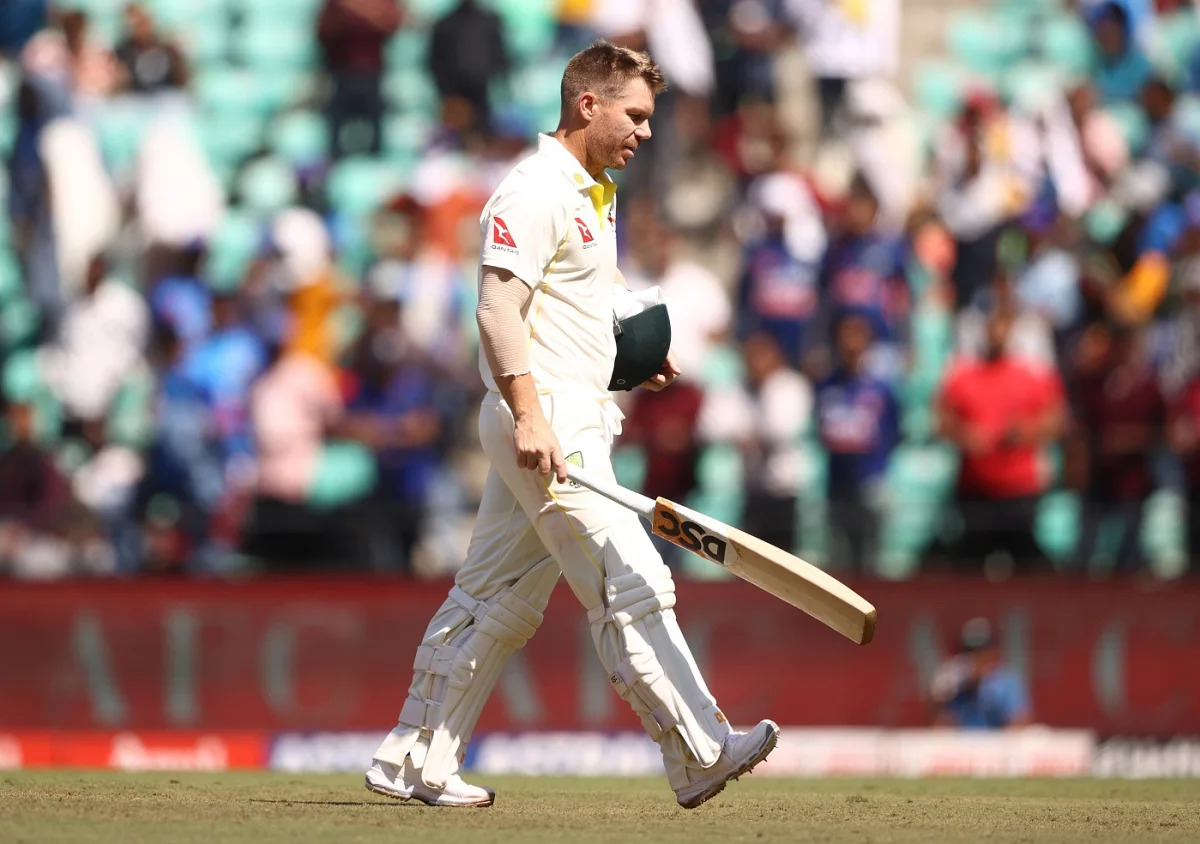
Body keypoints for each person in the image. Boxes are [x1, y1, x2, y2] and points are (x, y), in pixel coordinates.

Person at [366, 41, 778, 809]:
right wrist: (530, 414)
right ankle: (698, 750)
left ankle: (414, 758)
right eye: (636, 115)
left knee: (495, 599)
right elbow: (496, 308)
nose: (647, 132)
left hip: (569, 411)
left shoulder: (594, 189)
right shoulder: (534, 189)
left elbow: (581, 296)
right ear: (588, 105)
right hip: (549, 421)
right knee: (633, 581)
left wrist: (633, 356)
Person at [936, 307, 1065, 574]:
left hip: (1019, 490)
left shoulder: (1031, 376)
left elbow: (1057, 419)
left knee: (1027, 566)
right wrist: (965, 435)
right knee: (970, 567)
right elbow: (942, 421)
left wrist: (1026, 432)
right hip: (975, 490)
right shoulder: (964, 377)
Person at [815, 313, 900, 573]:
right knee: (839, 561)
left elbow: (893, 431)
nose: (850, 343)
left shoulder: (880, 389)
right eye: (845, 335)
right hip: (836, 484)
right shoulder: (826, 385)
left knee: (871, 560)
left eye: (857, 335)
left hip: (870, 483)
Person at [316, 0, 402, 158]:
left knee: (378, 130)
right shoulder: (335, 5)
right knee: (334, 129)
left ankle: (378, 160)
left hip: (372, 75)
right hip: (342, 74)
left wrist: (360, 11)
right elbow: (322, 32)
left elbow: (392, 23)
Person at [930, 618, 1032, 729]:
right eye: (969, 652)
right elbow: (941, 727)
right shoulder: (957, 684)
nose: (975, 658)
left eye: (980, 652)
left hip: (997, 744)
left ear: (991, 654)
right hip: (963, 745)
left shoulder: (1006, 684)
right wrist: (938, 698)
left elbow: (1019, 722)